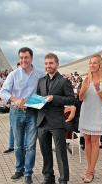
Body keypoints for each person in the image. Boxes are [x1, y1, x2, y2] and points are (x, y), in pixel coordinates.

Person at [0, 47, 46, 184]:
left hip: (33, 113)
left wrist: (33, 102)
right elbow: (3, 92)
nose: (23, 60)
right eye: (21, 58)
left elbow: (45, 93)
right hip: (16, 113)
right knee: (18, 145)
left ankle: (28, 172)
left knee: (31, 145)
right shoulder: (13, 75)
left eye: (26, 57)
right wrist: (15, 100)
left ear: (31, 58)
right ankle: (19, 169)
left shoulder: (40, 74)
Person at [37, 53, 75, 184]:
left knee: (60, 152)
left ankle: (63, 179)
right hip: (42, 121)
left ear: (57, 64)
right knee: (45, 152)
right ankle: (48, 177)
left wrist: (54, 98)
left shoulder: (64, 81)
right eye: (46, 63)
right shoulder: (41, 81)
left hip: (56, 121)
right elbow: (38, 98)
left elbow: (72, 99)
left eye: (51, 63)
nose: (48, 66)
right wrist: (28, 104)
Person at [79, 54, 102, 183]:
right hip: (86, 111)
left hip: (98, 112)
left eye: (95, 63)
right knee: (87, 140)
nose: (92, 65)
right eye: (91, 63)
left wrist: (98, 89)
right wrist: (85, 88)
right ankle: (89, 169)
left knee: (94, 141)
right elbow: (80, 98)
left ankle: (90, 171)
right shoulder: (86, 79)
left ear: (100, 65)